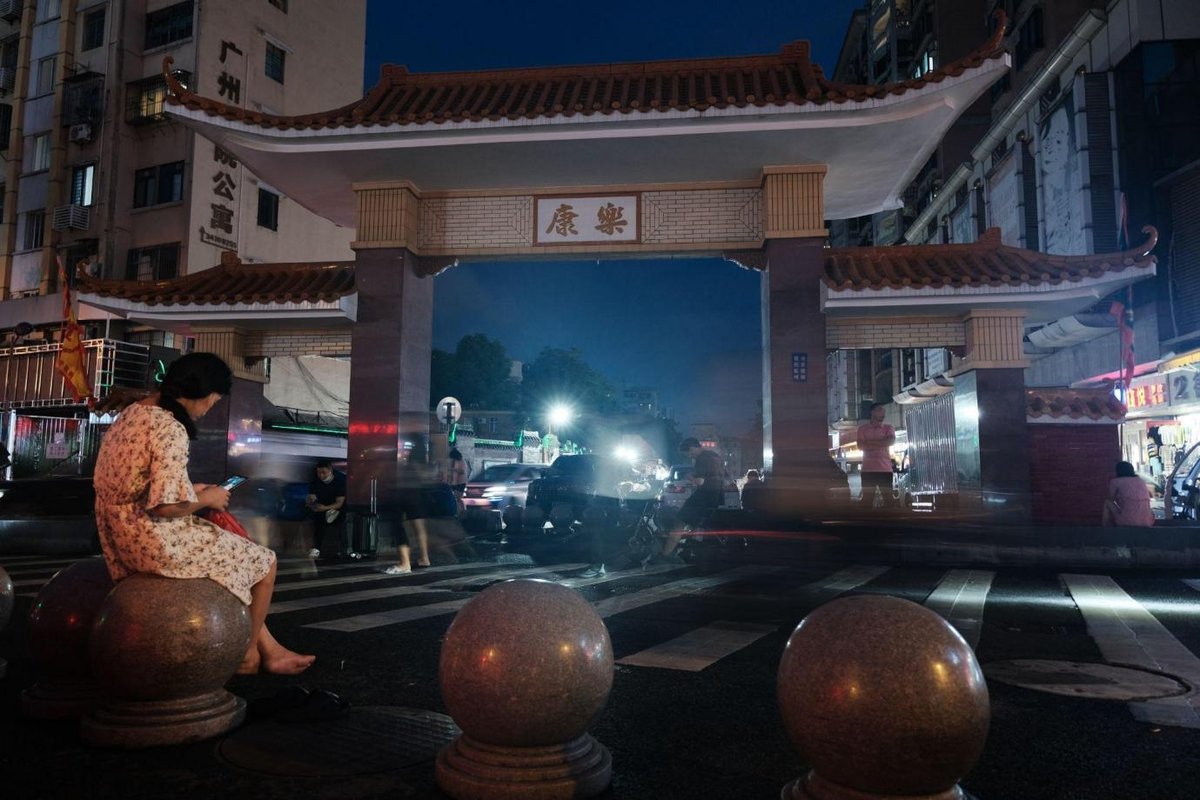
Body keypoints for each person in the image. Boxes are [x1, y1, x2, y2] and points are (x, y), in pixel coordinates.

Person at [92, 352, 313, 675]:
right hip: (155, 542)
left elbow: (136, 485)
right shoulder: (170, 429)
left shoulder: (133, 414)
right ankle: (247, 654)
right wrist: (207, 497)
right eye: (212, 402)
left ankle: (272, 648)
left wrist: (192, 489)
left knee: (235, 565)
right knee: (265, 563)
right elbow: (165, 506)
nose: (209, 409)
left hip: (117, 535)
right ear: (204, 394)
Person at [646, 437, 724, 563]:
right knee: (697, 524)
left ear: (692, 448)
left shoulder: (702, 458)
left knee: (679, 522)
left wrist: (689, 477)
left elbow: (700, 481)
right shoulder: (715, 456)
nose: (689, 457)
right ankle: (689, 550)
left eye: (688, 453)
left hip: (703, 496)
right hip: (715, 496)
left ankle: (665, 554)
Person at [306, 459, 349, 559]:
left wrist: (325, 508)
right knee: (317, 519)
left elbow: (339, 503)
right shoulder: (315, 483)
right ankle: (316, 547)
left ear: (330, 471)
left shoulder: (339, 483)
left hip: (336, 510)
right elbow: (311, 497)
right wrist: (312, 504)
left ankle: (343, 549)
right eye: (319, 473)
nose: (321, 475)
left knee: (339, 521)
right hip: (321, 509)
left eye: (324, 473)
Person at [857, 403, 896, 509]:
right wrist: (881, 442)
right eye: (879, 410)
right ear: (872, 412)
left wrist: (869, 443)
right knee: (867, 501)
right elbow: (860, 446)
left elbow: (890, 441)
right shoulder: (863, 429)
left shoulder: (889, 427)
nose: (883, 413)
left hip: (885, 469)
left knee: (889, 500)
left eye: (883, 411)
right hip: (868, 470)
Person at [1102, 461, 1154, 527]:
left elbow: (1111, 498)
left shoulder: (1115, 481)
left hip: (1127, 521)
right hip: (1147, 521)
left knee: (1107, 502)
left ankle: (1104, 529)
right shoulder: (1140, 480)